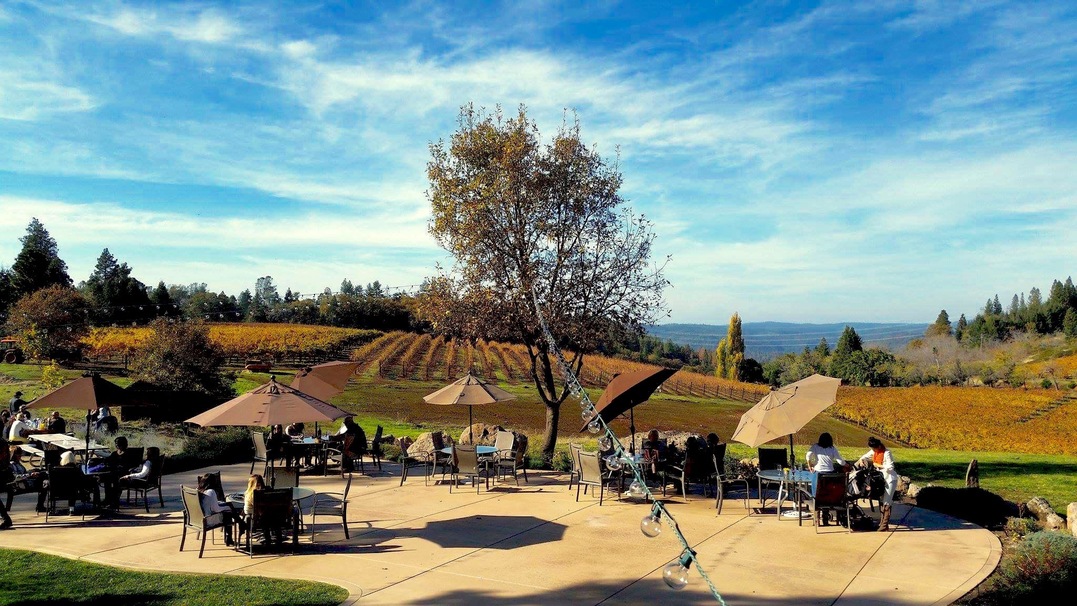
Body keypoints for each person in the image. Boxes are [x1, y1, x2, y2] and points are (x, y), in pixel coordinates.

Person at [857, 437, 898, 532]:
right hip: (880, 479)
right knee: (881, 500)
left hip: (889, 479)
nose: (873, 450)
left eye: (874, 448)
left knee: (887, 501)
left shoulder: (887, 453)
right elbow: (865, 456)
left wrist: (878, 465)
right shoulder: (874, 452)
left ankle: (884, 525)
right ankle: (882, 523)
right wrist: (861, 460)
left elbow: (890, 467)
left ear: (878, 446)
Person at [198, 474, 241, 546]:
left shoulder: (200, 491)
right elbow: (216, 509)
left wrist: (225, 505)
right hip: (209, 520)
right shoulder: (211, 492)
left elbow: (209, 504)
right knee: (228, 512)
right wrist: (227, 507)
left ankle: (240, 525)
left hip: (201, 518)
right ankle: (231, 536)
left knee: (228, 506)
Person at [8, 447, 48, 512]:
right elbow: (16, 477)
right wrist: (30, 475)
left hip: (25, 482)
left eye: (20, 454)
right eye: (18, 454)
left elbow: (23, 473)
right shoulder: (12, 465)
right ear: (13, 455)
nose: (20, 456)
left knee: (42, 474)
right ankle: (40, 506)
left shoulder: (17, 463)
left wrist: (32, 472)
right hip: (20, 485)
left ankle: (40, 506)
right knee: (44, 484)